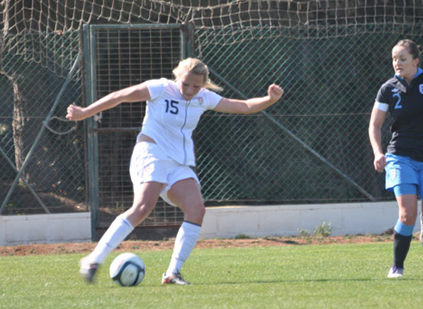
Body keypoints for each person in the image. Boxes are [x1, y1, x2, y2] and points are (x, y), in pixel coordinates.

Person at [66, 58, 284, 285]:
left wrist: (270, 99)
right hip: (152, 152)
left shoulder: (204, 98)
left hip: (178, 163)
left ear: (204, 84)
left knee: (196, 210)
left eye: (196, 86)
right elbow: (120, 96)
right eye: (185, 84)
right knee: (142, 207)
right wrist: (85, 112)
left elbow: (244, 106)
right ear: (177, 76)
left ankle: (172, 273)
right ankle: (92, 260)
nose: (190, 90)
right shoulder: (160, 88)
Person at [368, 39, 423, 279]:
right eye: (394, 59)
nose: (397, 63)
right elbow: (375, 124)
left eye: (402, 59)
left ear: (416, 61)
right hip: (400, 156)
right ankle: (397, 267)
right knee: (407, 213)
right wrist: (378, 152)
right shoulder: (387, 88)